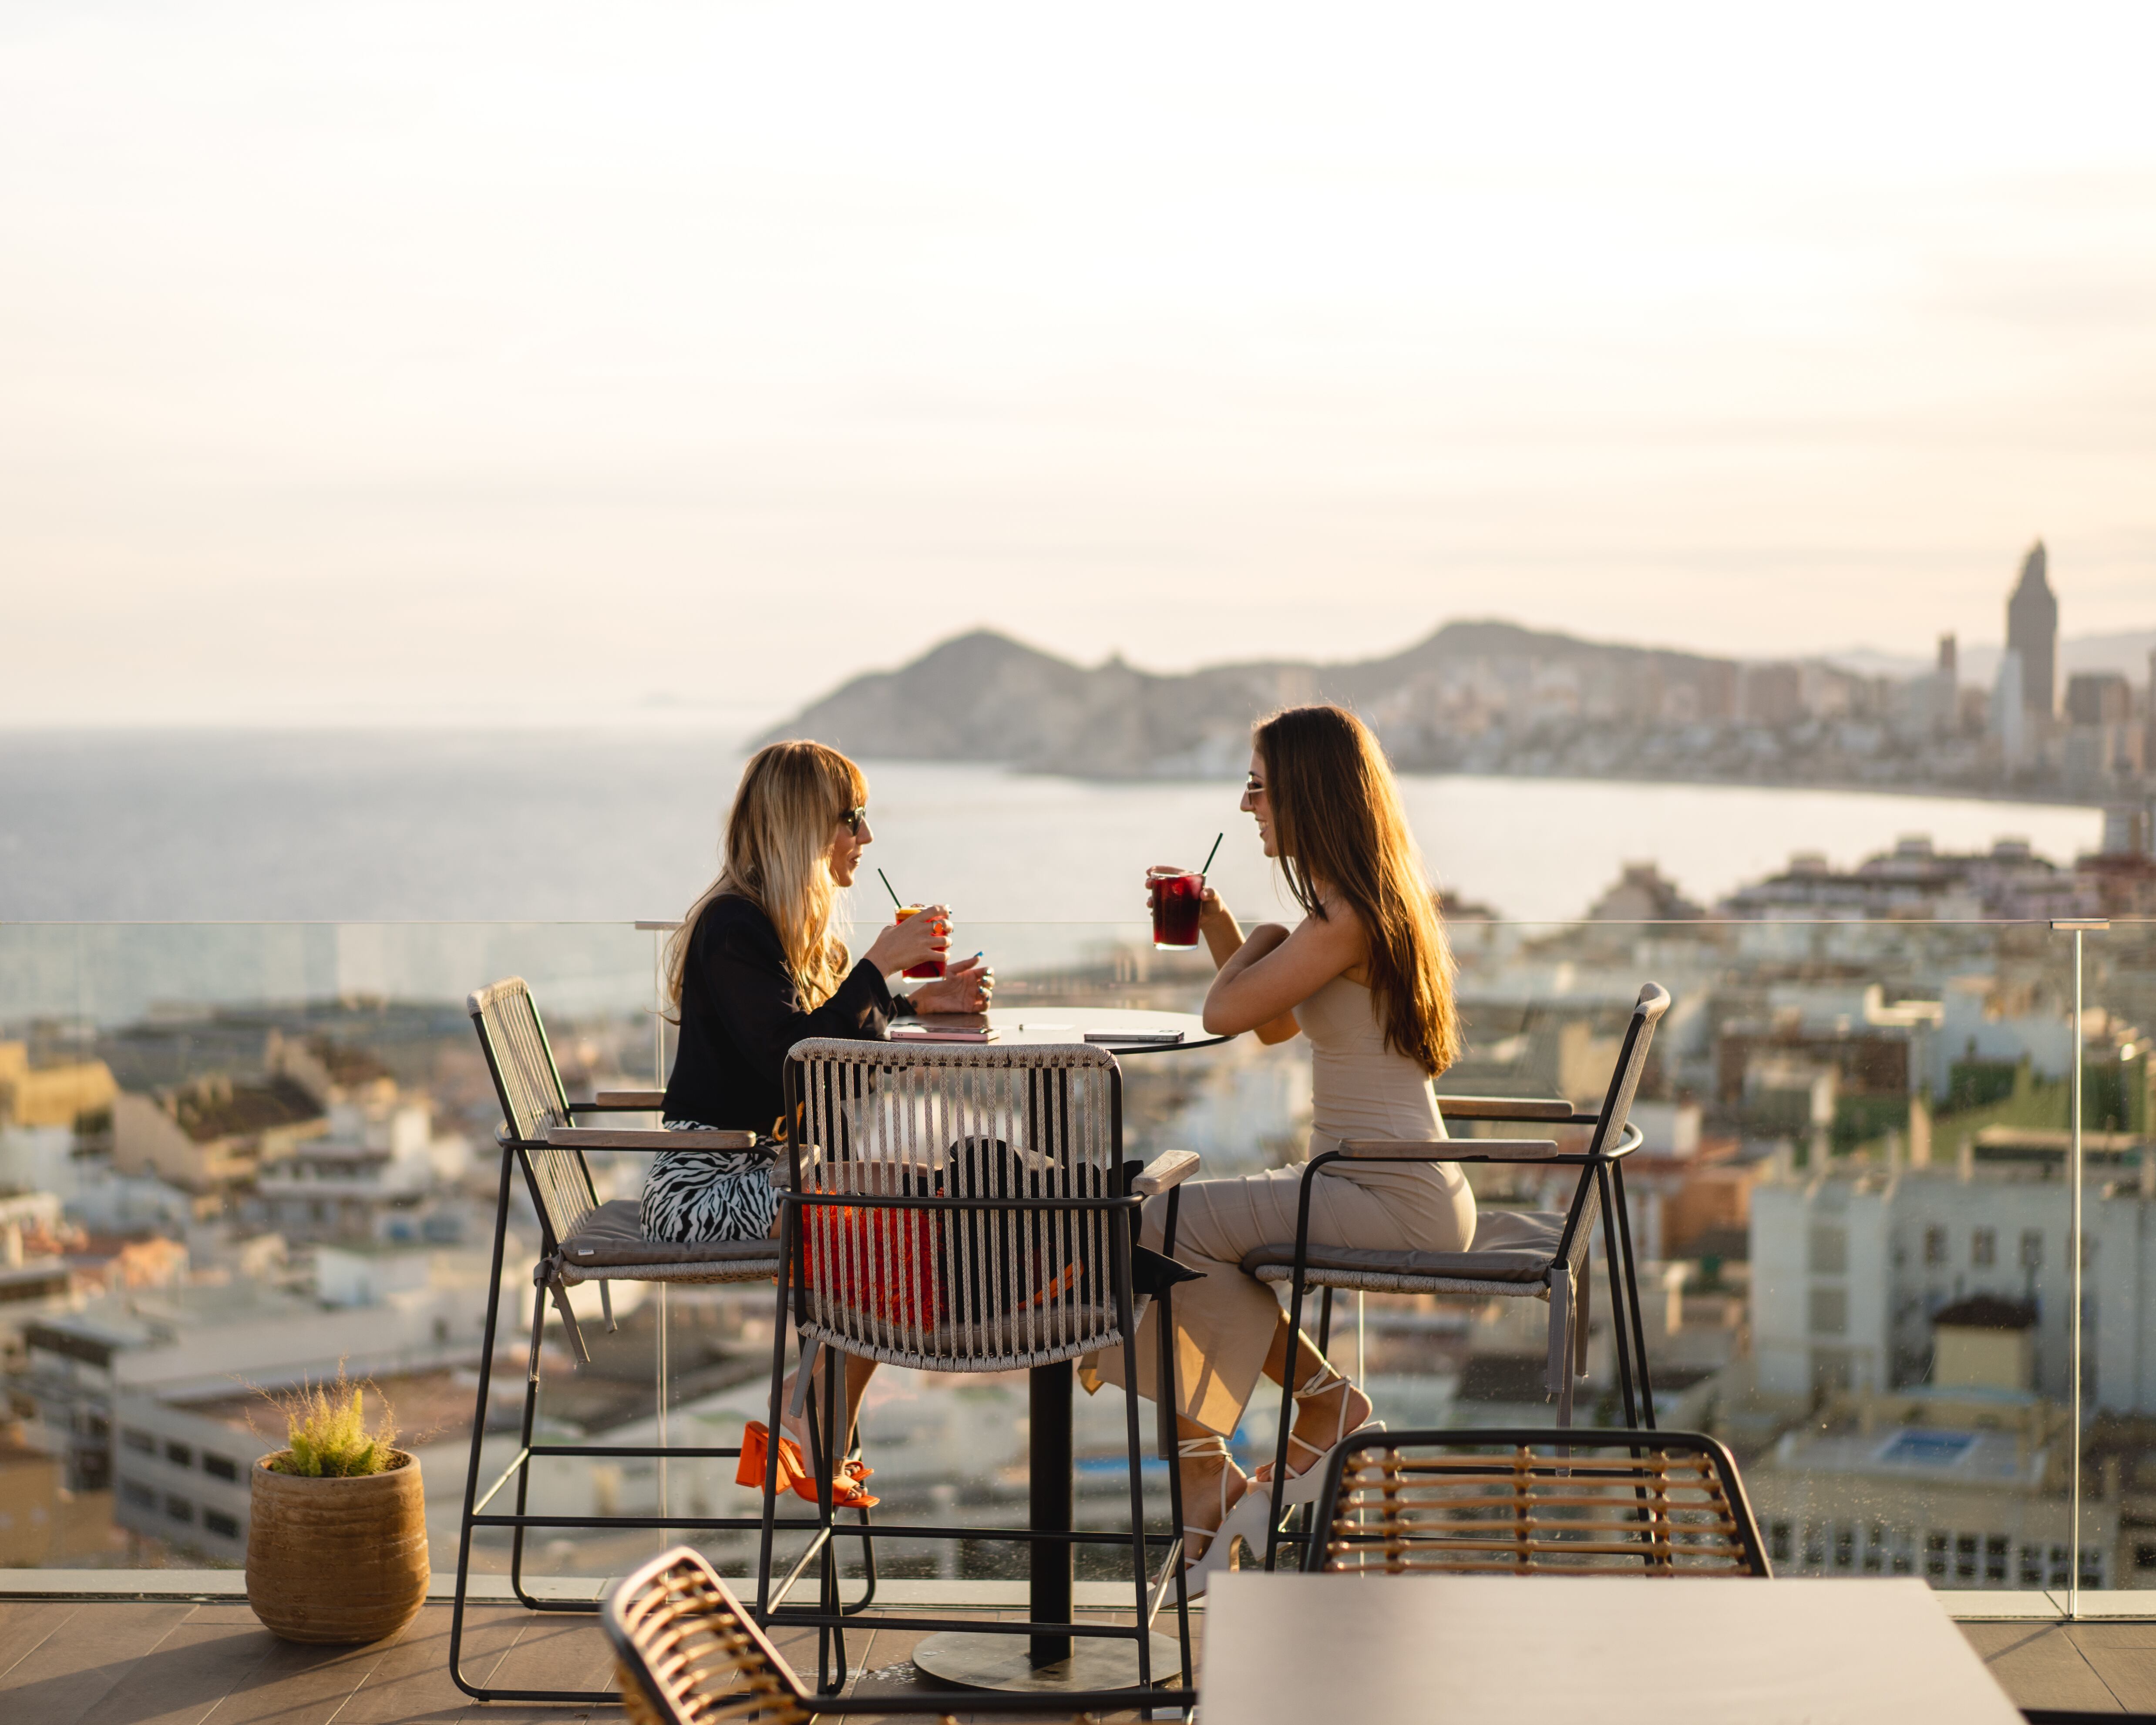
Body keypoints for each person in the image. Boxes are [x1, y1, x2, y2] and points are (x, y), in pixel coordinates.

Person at [1090, 703, 1471, 1589]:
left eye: (1259, 786)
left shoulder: (1339, 918)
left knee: (1152, 1225)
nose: (1245, 805)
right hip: (1391, 1179)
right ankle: (1295, 1418)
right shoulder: (1359, 906)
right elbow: (1273, 1029)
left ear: (1306, 791)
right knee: (1169, 1232)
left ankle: (1230, 1466)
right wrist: (1229, 926)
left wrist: (1254, 942)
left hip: (1382, 1191)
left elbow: (1226, 1014)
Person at [649, 739, 993, 1503]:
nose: (866, 840)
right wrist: (876, 968)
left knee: (909, 1195)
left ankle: (809, 1412)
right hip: (704, 1187)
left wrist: (911, 1003)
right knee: (894, 1204)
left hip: (764, 1171)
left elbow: (817, 1047)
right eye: (853, 819)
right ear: (807, 826)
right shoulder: (731, 927)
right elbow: (795, 1062)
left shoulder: (775, 930)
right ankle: (810, 1412)